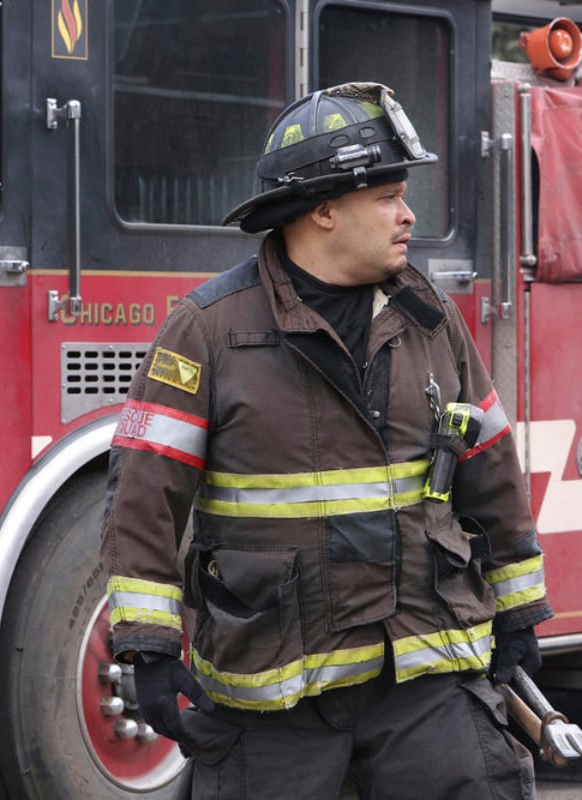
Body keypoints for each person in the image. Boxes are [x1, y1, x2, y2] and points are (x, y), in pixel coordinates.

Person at [101, 83, 551, 799]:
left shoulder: (430, 317)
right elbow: (142, 501)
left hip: (425, 678)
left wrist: (520, 612)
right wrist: (146, 645)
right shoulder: (208, 331)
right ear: (324, 209)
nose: (409, 216)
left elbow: (488, 469)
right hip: (276, 700)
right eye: (389, 197)